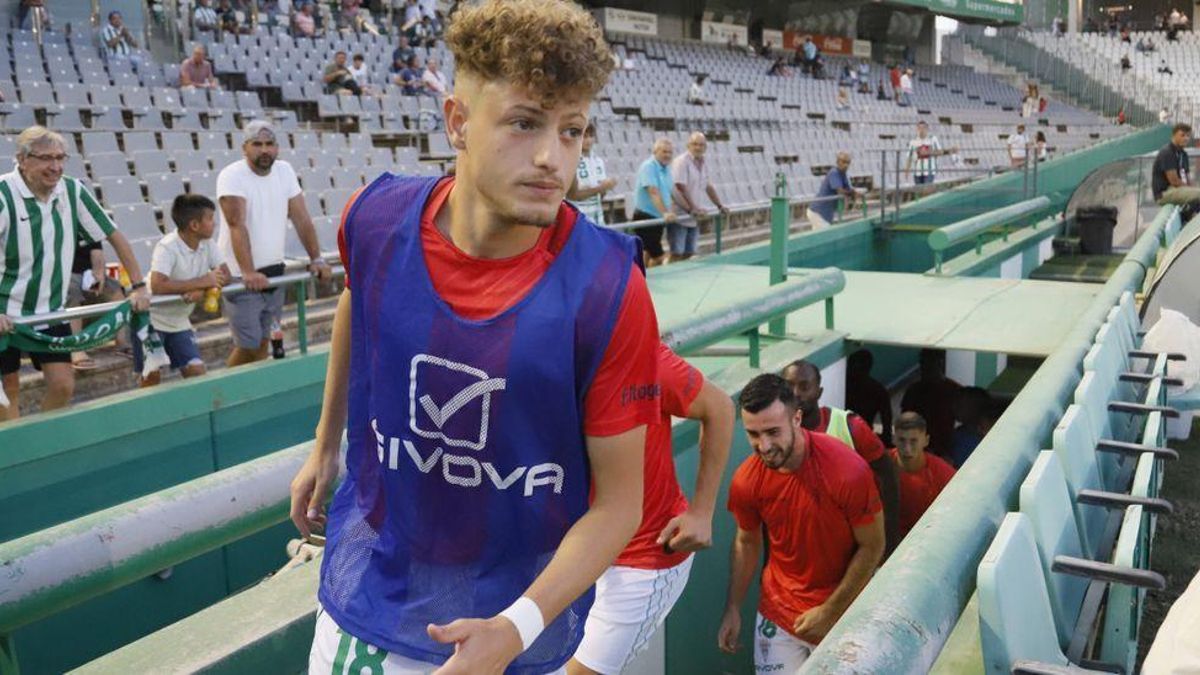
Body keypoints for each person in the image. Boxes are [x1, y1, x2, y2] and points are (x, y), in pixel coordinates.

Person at [291, 1, 661, 673]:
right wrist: (325, 444)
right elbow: (358, 298)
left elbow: (619, 506)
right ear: (458, 121)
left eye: (573, 131)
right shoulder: (375, 217)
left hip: (511, 626)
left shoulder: (609, 286)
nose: (554, 157)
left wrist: (513, 628)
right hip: (371, 600)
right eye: (524, 123)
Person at [570, 344, 733, 674]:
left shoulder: (640, 354)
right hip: (575, 553)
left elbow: (719, 407)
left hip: (643, 558)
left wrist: (702, 512)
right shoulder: (527, 353)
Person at [718, 374, 884, 671]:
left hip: (844, 615)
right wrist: (732, 607)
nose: (764, 446)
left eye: (772, 431)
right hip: (777, 617)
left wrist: (831, 610)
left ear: (796, 418)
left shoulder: (847, 470)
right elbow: (747, 540)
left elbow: (873, 546)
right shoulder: (746, 479)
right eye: (753, 434)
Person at [0, 126, 151, 420]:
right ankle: (14, 458)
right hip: (5, 311)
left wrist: (138, 285)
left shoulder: (72, 189)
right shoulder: (3, 194)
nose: (55, 167)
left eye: (60, 158)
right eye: (45, 159)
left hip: (49, 311)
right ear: (22, 159)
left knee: (63, 385)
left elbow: (113, 235)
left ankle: (38, 444)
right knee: (9, 390)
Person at [216, 120, 331, 368]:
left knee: (263, 342)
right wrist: (248, 271)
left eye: (269, 144)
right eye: (257, 144)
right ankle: (225, 392)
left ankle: (249, 395)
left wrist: (317, 258)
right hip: (240, 275)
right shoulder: (232, 175)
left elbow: (301, 217)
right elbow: (236, 223)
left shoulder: (285, 170)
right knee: (248, 344)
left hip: (274, 270)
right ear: (244, 148)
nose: (264, 150)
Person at [783, 359, 900, 555]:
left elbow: (888, 476)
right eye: (789, 386)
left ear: (819, 392)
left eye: (804, 387)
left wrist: (888, 541)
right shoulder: (775, 435)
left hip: (851, 547)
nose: (796, 394)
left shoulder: (850, 427)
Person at [136, 195, 230, 387]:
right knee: (151, 377)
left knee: (196, 372)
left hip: (179, 321)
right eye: (210, 219)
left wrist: (201, 291)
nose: (215, 223)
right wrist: (202, 281)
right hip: (151, 320)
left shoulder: (208, 244)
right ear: (194, 225)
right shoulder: (167, 247)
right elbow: (158, 285)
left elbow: (225, 275)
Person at [889, 412, 955, 538]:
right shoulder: (879, 468)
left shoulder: (945, 475)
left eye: (913, 441)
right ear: (894, 439)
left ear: (926, 440)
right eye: (902, 440)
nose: (907, 448)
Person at [669, 132, 729, 262]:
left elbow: (708, 186)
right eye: (695, 144)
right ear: (688, 145)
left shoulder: (703, 162)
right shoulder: (681, 162)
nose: (698, 147)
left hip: (694, 215)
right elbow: (679, 188)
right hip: (681, 214)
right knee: (676, 253)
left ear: (705, 147)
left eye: (701, 145)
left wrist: (719, 205)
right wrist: (693, 208)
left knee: (689, 253)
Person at [900, 348, 961, 458]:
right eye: (923, 363)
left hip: (945, 450)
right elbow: (904, 421)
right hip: (917, 449)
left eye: (930, 362)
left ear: (939, 363)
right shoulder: (914, 390)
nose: (925, 367)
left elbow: (964, 418)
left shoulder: (953, 390)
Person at [632, 138, 677, 267]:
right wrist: (666, 213)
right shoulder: (648, 167)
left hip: (658, 219)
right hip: (645, 217)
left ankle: (644, 281)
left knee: (646, 253)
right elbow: (653, 191)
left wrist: (671, 210)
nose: (667, 155)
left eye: (670, 152)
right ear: (655, 151)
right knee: (658, 256)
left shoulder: (667, 169)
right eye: (664, 151)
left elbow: (670, 193)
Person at [567, 122, 616, 227]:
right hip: (577, 220)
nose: (588, 140)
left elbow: (600, 194)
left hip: (598, 218)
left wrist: (606, 187)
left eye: (591, 136)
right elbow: (573, 195)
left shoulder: (598, 161)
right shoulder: (570, 160)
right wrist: (600, 188)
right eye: (585, 136)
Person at [845, 348, 893, 447]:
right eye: (851, 366)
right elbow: (887, 420)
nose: (852, 370)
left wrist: (885, 439)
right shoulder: (842, 386)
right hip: (848, 434)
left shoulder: (878, 390)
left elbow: (887, 419)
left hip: (863, 436)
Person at [1152, 123, 1200, 209]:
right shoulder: (1167, 152)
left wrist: (1192, 188)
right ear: (1174, 135)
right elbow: (1174, 181)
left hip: (1178, 189)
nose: (1186, 138)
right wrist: (1191, 189)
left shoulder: (1183, 154)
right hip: (1165, 192)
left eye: (1188, 136)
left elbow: (1187, 178)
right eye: (1182, 135)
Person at [949, 386, 996, 468]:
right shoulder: (959, 433)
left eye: (960, 404)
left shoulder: (988, 437)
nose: (954, 407)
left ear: (976, 407)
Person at [810, 152, 856, 229]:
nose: (846, 165)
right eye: (844, 162)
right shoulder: (834, 173)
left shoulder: (843, 174)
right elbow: (840, 191)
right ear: (838, 162)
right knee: (825, 235)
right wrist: (852, 193)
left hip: (827, 213)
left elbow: (849, 190)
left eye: (848, 163)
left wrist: (854, 193)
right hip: (818, 212)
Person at [904, 120, 950, 185]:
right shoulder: (913, 141)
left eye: (923, 128)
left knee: (926, 189)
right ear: (917, 129)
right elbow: (909, 157)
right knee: (920, 192)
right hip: (917, 172)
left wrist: (928, 152)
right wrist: (906, 171)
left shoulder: (933, 139)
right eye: (919, 128)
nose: (921, 130)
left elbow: (940, 152)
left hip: (929, 171)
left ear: (927, 129)